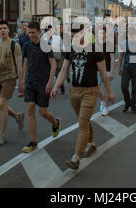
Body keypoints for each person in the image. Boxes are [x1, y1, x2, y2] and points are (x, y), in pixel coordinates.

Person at [50, 25, 115, 171]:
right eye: (72, 35)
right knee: (83, 119)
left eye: (76, 34)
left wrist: (109, 92)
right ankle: (91, 143)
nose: (74, 37)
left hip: (90, 90)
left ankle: (76, 157)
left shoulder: (95, 49)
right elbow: (64, 70)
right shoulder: (70, 49)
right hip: (75, 90)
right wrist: (56, 86)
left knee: (83, 122)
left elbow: (103, 73)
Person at [21, 21, 60, 153]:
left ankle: (55, 123)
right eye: (29, 32)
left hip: (43, 82)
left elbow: (53, 64)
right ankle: (33, 141)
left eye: (33, 32)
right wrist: (22, 80)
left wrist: (50, 82)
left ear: (39, 32)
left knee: (42, 112)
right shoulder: (26, 45)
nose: (31, 35)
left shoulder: (46, 45)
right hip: (30, 82)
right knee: (30, 108)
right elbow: (25, 63)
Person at [118, 26, 136, 114]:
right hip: (126, 67)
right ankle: (127, 103)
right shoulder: (124, 43)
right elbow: (121, 56)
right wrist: (119, 68)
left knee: (135, 88)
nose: (131, 37)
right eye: (130, 35)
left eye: (133, 35)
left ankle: (133, 105)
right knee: (124, 86)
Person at [98, 25, 115, 116]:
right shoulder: (96, 44)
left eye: (103, 33)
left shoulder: (109, 44)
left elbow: (112, 58)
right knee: (96, 88)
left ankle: (105, 107)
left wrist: (112, 72)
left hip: (107, 69)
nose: (101, 35)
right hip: (97, 70)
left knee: (105, 89)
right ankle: (102, 100)